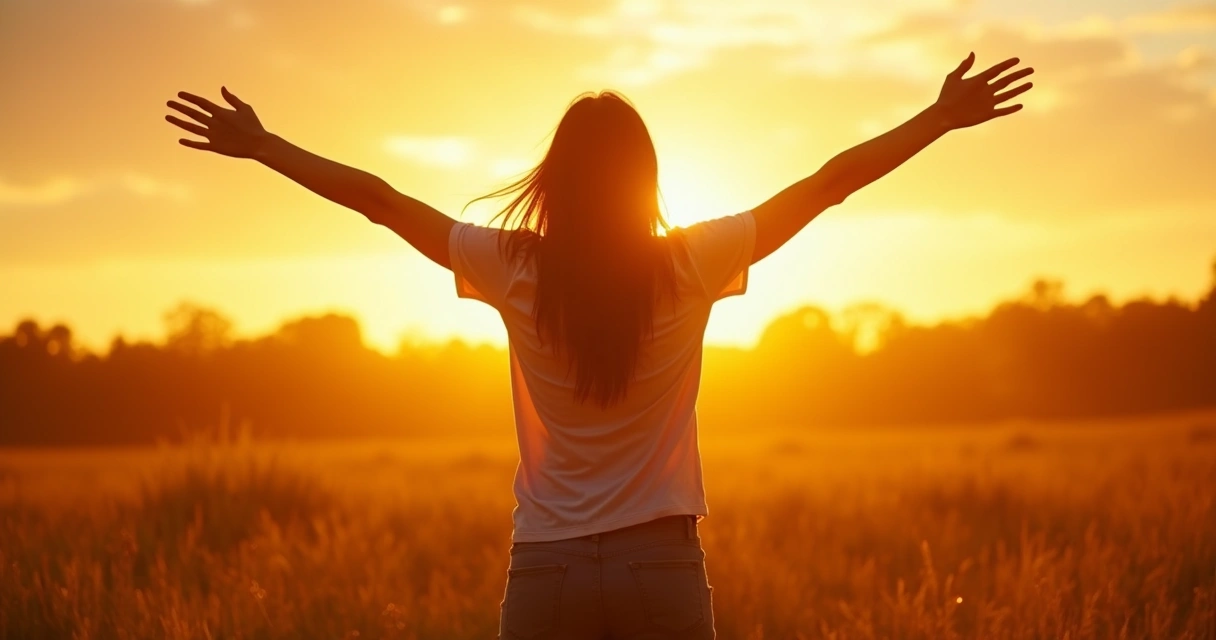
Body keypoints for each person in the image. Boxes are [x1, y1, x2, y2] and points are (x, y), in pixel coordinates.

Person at [165, 51, 1032, 639]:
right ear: (645, 179)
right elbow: (830, 185)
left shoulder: (510, 264)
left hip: (546, 574)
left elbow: (383, 201)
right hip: (663, 565)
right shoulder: (692, 261)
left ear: (556, 178)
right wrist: (939, 117)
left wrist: (264, 145)